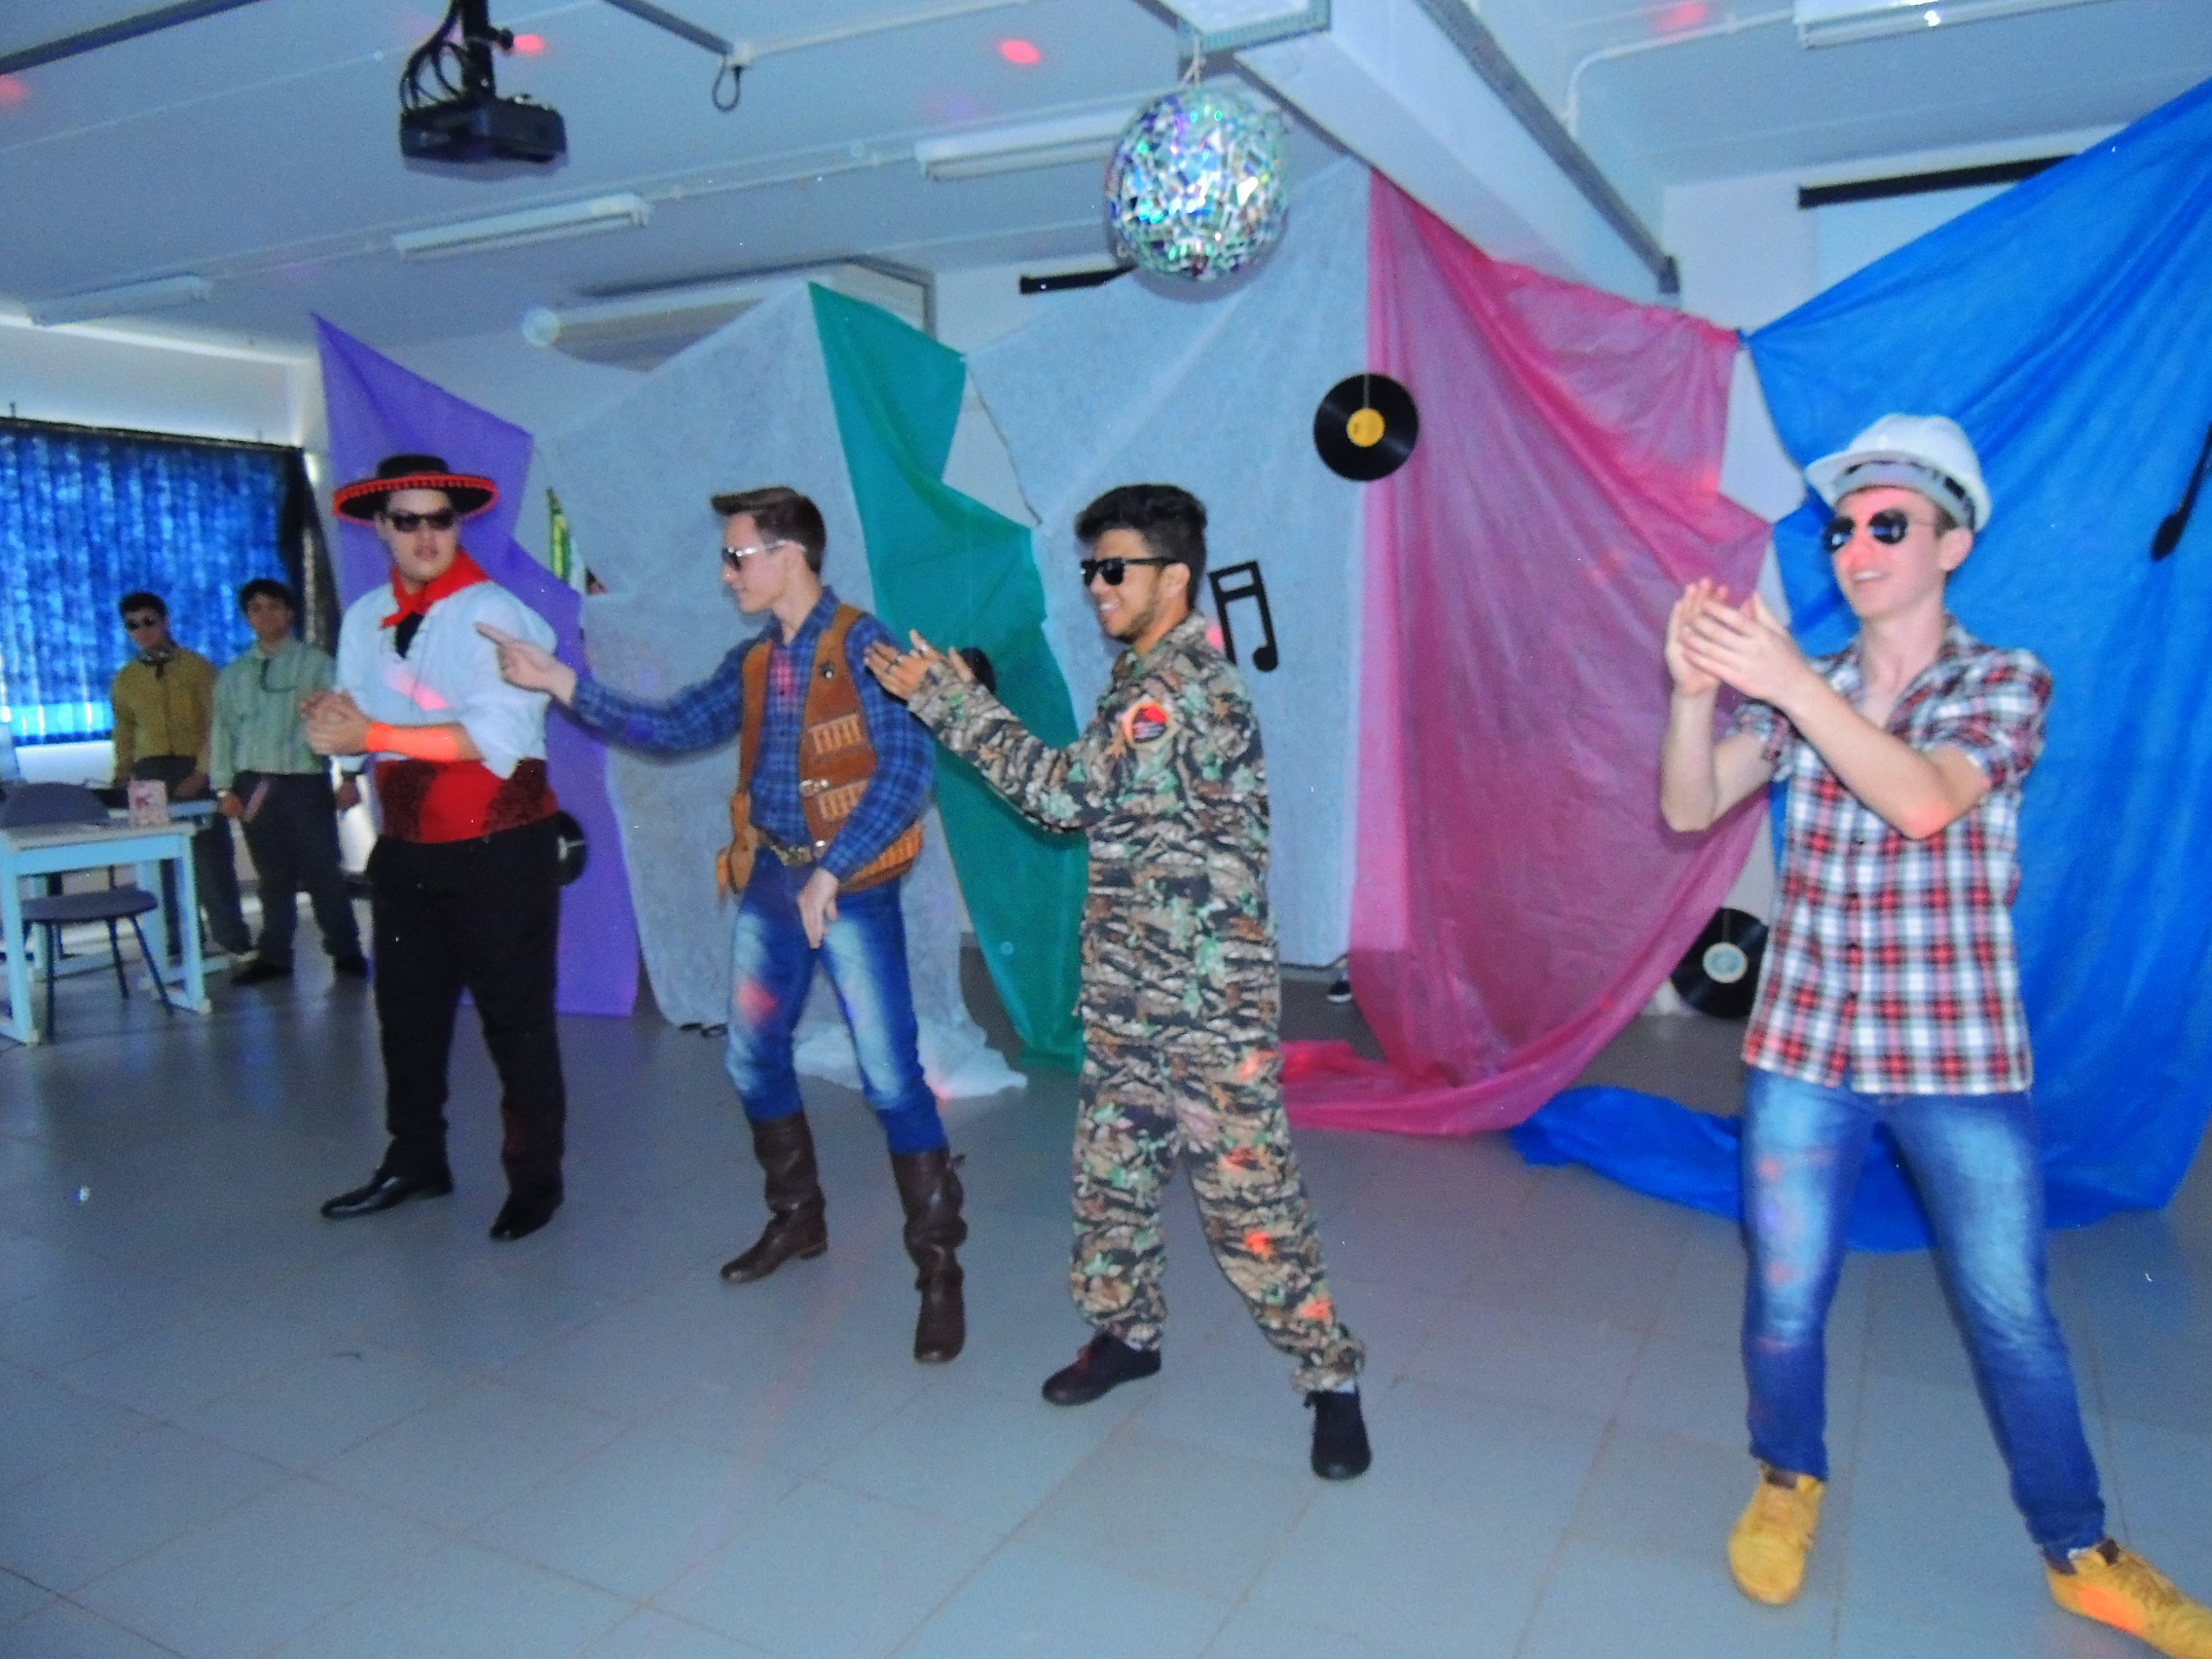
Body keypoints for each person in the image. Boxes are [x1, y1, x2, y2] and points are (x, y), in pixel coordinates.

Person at [1660, 415, 2212, 1656]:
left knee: (2011, 1314)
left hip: (1955, 1060)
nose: (1855, 547)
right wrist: (1693, 698)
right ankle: (1786, 1476)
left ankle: (2080, 1551)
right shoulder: (1808, 689)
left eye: (1887, 524)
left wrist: (1792, 686)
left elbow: (1920, 801)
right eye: (1841, 528)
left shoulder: (2002, 681)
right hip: (1802, 1048)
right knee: (1785, 1296)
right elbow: (1688, 804)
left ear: (1951, 543)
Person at [866, 482, 1372, 1481]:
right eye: (1090, 568)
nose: (1096, 585)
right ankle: (1127, 1335)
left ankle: (1331, 1379)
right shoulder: (1138, 676)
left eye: (1114, 568)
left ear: (1172, 578)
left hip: (1206, 1009)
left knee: (1251, 1209)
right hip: (1132, 992)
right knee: (1111, 1186)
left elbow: (1066, 797)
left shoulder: (1175, 690)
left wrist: (949, 702)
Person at [480, 485, 967, 1363]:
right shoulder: (755, 661)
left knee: (893, 1077)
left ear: (791, 555)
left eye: (737, 556)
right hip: (773, 879)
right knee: (750, 1056)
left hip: (850, 890)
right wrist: (560, 681)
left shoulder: (869, 647)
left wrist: (836, 869)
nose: (727, 573)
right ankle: (798, 1218)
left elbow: (907, 772)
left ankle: (938, 1272)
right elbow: (671, 726)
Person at [306, 455, 569, 1243]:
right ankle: (415, 1160)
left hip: (501, 847)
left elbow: (497, 736)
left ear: (459, 524)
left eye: (440, 520)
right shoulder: (364, 617)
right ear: (380, 529)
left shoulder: (497, 615)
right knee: (406, 1019)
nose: (426, 536)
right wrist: (331, 725)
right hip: (407, 851)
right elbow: (357, 725)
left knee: (516, 1022)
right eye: (407, 521)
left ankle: (535, 1180)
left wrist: (371, 732)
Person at [209, 577, 367, 984]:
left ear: (290, 612)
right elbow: (222, 732)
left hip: (304, 783)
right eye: (256, 608)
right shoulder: (235, 674)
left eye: (274, 606)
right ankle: (274, 955)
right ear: (247, 617)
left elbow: (346, 717)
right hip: (253, 786)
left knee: (323, 873)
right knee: (272, 877)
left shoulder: (317, 665)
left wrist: (350, 775)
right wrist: (224, 788)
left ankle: (346, 951)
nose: (265, 615)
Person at [109, 591, 252, 960]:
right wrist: (122, 772)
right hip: (148, 773)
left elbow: (217, 724)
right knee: (158, 861)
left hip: (192, 767)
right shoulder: (126, 679)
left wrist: (203, 770)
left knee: (210, 857)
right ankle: (172, 940)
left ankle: (231, 936)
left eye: (149, 622)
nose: (142, 631)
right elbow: (124, 730)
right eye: (133, 625)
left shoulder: (197, 667)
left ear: (165, 621)